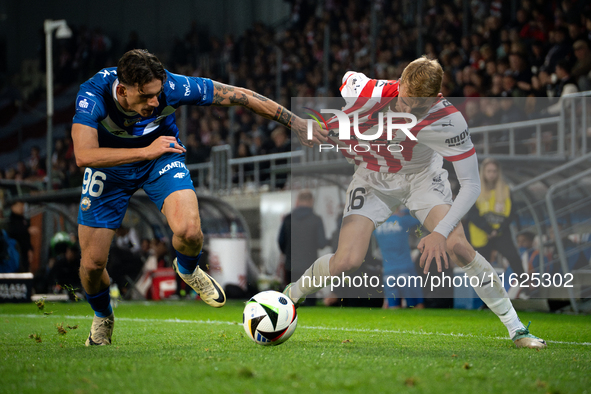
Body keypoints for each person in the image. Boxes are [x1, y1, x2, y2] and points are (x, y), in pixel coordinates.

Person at [284, 57, 546, 349]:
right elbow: (347, 81)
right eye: (405, 99)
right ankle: (290, 296)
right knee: (347, 259)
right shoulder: (370, 90)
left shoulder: (449, 120)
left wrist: (440, 232)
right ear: (401, 81)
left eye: (417, 106)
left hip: (422, 178)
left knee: (458, 245)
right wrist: (320, 127)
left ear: (436, 98)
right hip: (373, 177)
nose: (407, 109)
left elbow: (472, 184)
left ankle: (516, 329)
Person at [72, 49, 325, 346]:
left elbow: (240, 95)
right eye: (146, 97)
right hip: (111, 168)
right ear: (123, 89)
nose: (155, 102)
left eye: (158, 94)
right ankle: (103, 315)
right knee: (91, 266)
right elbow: (83, 155)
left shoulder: (172, 87)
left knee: (190, 232)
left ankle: (189, 269)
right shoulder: (93, 94)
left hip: (161, 160)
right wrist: (145, 150)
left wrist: (296, 123)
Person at [467, 158, 525, 278]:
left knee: (513, 257)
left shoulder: (505, 190)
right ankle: (485, 294)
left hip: (501, 232)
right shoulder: (475, 189)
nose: (492, 174)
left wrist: (497, 231)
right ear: (483, 172)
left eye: (494, 171)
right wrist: (488, 230)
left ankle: (526, 285)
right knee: (482, 266)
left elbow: (511, 212)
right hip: (481, 233)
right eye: (488, 171)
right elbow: (472, 214)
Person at [278, 190, 328, 299]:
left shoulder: (287, 219)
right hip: (310, 268)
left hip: (290, 267)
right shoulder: (316, 219)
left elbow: (281, 241)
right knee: (309, 299)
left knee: (290, 300)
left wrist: (288, 254)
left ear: (297, 201)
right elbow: (321, 243)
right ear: (311, 201)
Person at [374, 207, 424, 309]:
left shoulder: (376, 226)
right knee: (416, 304)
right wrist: (405, 211)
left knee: (393, 307)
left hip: (388, 271)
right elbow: (421, 217)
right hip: (405, 268)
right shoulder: (402, 220)